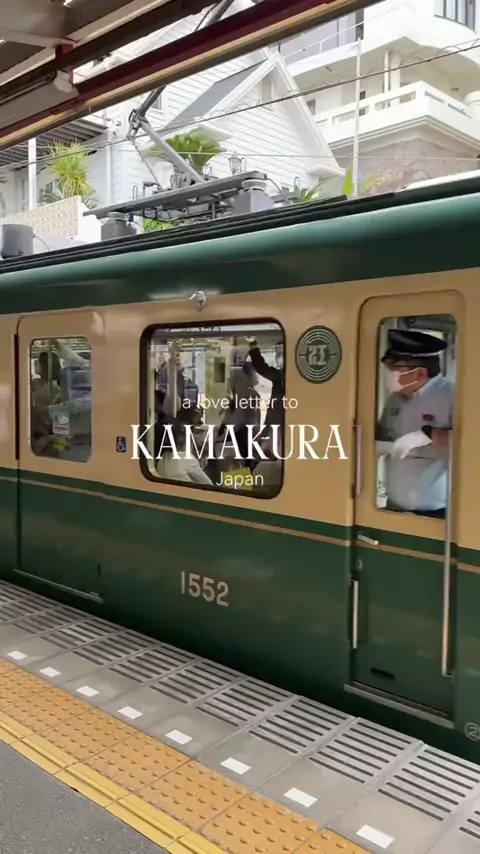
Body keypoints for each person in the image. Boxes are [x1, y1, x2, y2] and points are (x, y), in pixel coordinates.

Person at [376, 329, 454, 518]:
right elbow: (383, 433)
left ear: (420, 374)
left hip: (436, 511)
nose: (391, 373)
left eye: (397, 368)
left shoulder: (453, 396)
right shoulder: (395, 399)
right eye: (389, 367)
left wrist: (428, 435)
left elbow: (470, 442)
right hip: (393, 506)